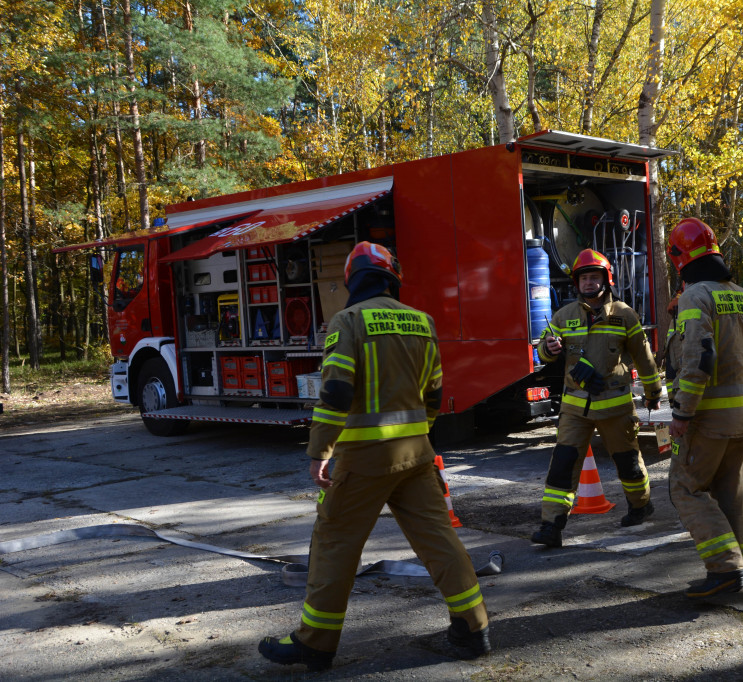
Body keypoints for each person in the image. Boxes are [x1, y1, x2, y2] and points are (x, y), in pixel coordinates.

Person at [259, 241, 490, 671]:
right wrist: (419, 433)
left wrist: (319, 451)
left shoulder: (347, 321)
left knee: (334, 546)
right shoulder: (422, 322)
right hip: (416, 455)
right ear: (391, 278)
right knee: (440, 541)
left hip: (361, 461)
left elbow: (335, 393)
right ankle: (474, 628)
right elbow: (435, 394)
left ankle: (316, 644)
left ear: (353, 280)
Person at [531, 248, 662, 548]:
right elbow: (545, 351)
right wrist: (547, 350)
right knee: (563, 464)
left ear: (606, 279)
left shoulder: (625, 315)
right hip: (575, 409)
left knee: (628, 463)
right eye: (584, 278)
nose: (589, 283)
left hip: (616, 408)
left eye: (594, 277)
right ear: (576, 283)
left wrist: (653, 393)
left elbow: (644, 358)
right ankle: (552, 526)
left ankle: (641, 506)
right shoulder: (563, 316)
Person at [665, 218, 743, 598]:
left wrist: (681, 413)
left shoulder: (695, 297)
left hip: (706, 418)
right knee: (729, 493)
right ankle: (736, 565)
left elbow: (698, 358)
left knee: (685, 488)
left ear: (679, 257)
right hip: (742, 418)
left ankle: (725, 568)